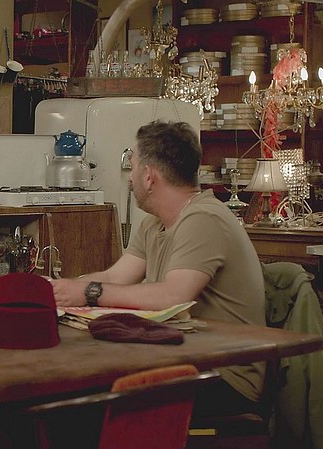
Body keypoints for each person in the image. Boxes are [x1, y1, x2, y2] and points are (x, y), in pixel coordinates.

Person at [50, 120, 266, 418]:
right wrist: (59, 290)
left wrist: (88, 291)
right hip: (178, 359)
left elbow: (172, 297)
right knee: (65, 395)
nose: (130, 177)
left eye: (133, 167)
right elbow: (116, 277)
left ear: (149, 176)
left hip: (224, 377)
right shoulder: (155, 222)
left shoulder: (204, 219)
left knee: (77, 407)